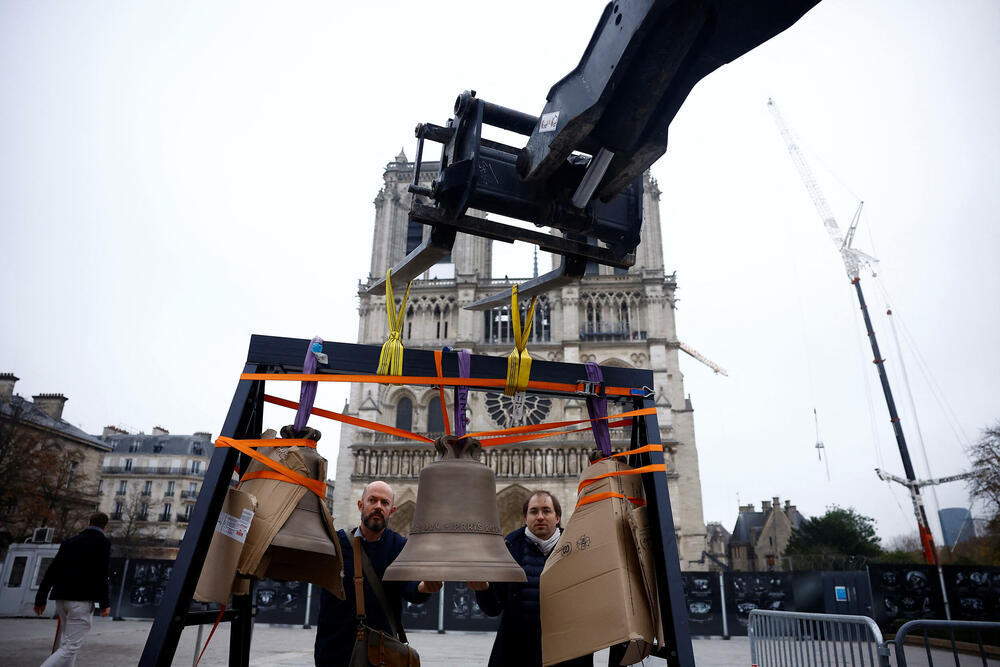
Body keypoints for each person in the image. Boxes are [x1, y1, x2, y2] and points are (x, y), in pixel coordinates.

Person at [314, 480, 442, 666]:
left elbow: (410, 586)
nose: (378, 507)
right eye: (372, 500)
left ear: (392, 510)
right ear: (360, 505)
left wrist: (424, 587)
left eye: (384, 503)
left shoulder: (399, 546)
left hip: (380, 653)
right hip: (335, 652)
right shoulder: (336, 544)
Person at [471, 490, 591, 667]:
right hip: (519, 650)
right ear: (525, 518)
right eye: (534, 511)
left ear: (557, 517)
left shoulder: (576, 548)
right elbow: (493, 607)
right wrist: (483, 589)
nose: (540, 517)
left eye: (546, 511)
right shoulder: (508, 548)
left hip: (565, 650)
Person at [33, 512, 112, 667]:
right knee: (71, 647)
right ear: (105, 526)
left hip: (61, 598)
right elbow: (101, 574)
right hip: (81, 601)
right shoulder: (103, 543)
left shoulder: (70, 542)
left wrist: (40, 597)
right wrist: (105, 603)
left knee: (69, 645)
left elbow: (52, 570)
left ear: (89, 523)